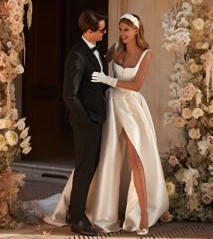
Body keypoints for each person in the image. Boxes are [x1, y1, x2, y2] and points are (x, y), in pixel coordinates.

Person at [38, 13, 168, 236]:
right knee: (105, 158)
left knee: (136, 157)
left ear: (137, 30)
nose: (120, 34)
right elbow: (88, 67)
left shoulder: (146, 54)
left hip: (131, 107)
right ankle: (88, 210)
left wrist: (108, 81)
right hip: (110, 107)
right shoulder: (115, 48)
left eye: (126, 29)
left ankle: (143, 216)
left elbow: (135, 85)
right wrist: (91, 103)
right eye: (119, 29)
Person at [62, 10, 108, 235]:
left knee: (89, 166)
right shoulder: (77, 56)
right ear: (89, 31)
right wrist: (87, 120)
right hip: (85, 122)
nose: (104, 32)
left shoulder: (97, 50)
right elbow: (69, 95)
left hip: (96, 119)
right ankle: (77, 219)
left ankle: (74, 210)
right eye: (101, 30)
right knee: (84, 168)